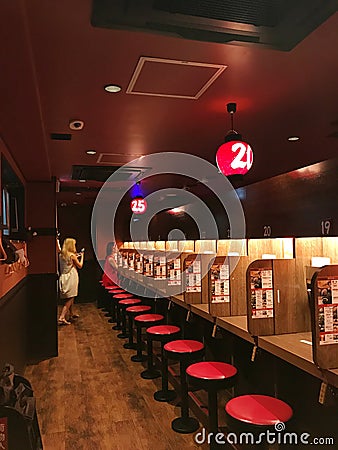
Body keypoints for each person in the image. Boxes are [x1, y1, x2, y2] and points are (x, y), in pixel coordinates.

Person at [58, 238, 84, 325]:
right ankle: (62, 316)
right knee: (71, 297)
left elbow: (68, 263)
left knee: (70, 295)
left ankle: (71, 313)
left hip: (64, 277)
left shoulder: (61, 255)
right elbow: (80, 265)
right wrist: (82, 256)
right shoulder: (72, 256)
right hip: (71, 277)